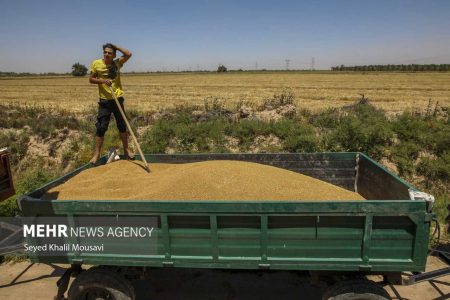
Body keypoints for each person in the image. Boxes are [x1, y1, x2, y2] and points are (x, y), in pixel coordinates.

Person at [89, 43, 134, 164]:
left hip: (117, 98)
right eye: (105, 52)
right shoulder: (96, 63)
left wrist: (114, 46)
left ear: (114, 55)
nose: (107, 54)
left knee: (122, 125)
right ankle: (97, 154)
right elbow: (91, 79)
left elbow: (129, 54)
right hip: (105, 100)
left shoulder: (117, 63)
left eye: (110, 53)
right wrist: (103, 81)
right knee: (101, 127)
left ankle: (127, 150)